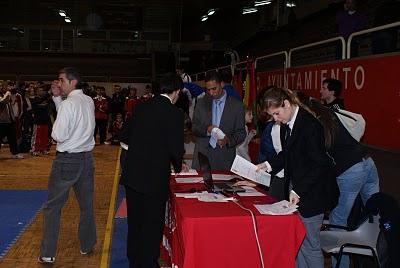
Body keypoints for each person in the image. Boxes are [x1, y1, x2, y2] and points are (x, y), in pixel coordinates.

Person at [256, 87, 339, 268]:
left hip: (311, 194)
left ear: (286, 104)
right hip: (299, 190)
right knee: (299, 242)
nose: (276, 120)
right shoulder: (288, 124)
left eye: (277, 114)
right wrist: (268, 165)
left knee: (310, 246)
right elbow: (287, 154)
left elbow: (320, 165)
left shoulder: (310, 125)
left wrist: (298, 190)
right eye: (273, 116)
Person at [299, 95, 380, 268]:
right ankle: (381, 257)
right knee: (376, 218)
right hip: (367, 162)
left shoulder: (314, 124)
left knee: (337, 222)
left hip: (350, 171)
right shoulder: (329, 113)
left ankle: (341, 266)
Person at [120, 73, 185, 268]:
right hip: (155, 178)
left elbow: (124, 137)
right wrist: (178, 164)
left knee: (135, 222)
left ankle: (134, 261)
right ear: (176, 92)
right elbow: (176, 149)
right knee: (152, 223)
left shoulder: (140, 107)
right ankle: (148, 262)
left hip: (133, 176)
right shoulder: (175, 113)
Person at [38, 67, 96, 264]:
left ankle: (48, 252)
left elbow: (58, 135)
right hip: (87, 159)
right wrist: (57, 99)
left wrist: (57, 119)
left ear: (72, 82)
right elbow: (71, 113)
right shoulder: (88, 100)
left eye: (61, 80)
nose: (58, 84)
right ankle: (87, 244)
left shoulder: (69, 104)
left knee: (53, 208)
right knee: (87, 206)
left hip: (67, 161)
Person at [192, 70, 246, 171]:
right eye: (208, 90)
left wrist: (228, 140)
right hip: (202, 157)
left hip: (224, 158)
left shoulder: (237, 106)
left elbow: (241, 133)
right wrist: (207, 130)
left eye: (214, 88)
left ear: (221, 84)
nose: (211, 93)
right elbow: (194, 128)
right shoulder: (201, 102)